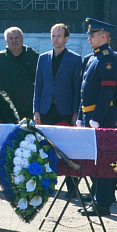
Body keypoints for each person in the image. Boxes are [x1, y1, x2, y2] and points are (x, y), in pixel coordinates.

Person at [32, 23, 81, 198]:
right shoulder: (43, 58)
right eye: (53, 35)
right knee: (44, 148)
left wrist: (76, 112)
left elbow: (77, 88)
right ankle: (44, 185)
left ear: (66, 39)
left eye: (59, 36)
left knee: (67, 150)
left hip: (65, 110)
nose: (56, 39)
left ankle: (72, 187)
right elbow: (38, 86)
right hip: (45, 109)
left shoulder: (75, 59)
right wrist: (36, 110)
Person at [78, 18, 117, 217]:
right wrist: (81, 116)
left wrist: (96, 118)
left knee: (101, 161)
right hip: (90, 116)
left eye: (92, 35)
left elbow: (106, 92)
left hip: (101, 117)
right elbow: (84, 91)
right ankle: (96, 198)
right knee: (93, 161)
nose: (89, 38)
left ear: (104, 36)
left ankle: (103, 203)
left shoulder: (108, 59)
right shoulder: (94, 58)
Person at [0, 27, 39, 118]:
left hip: (27, 108)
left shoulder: (34, 57)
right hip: (5, 108)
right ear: (6, 41)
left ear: (22, 39)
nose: (14, 41)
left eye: (17, 38)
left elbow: (40, 81)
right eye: (11, 38)